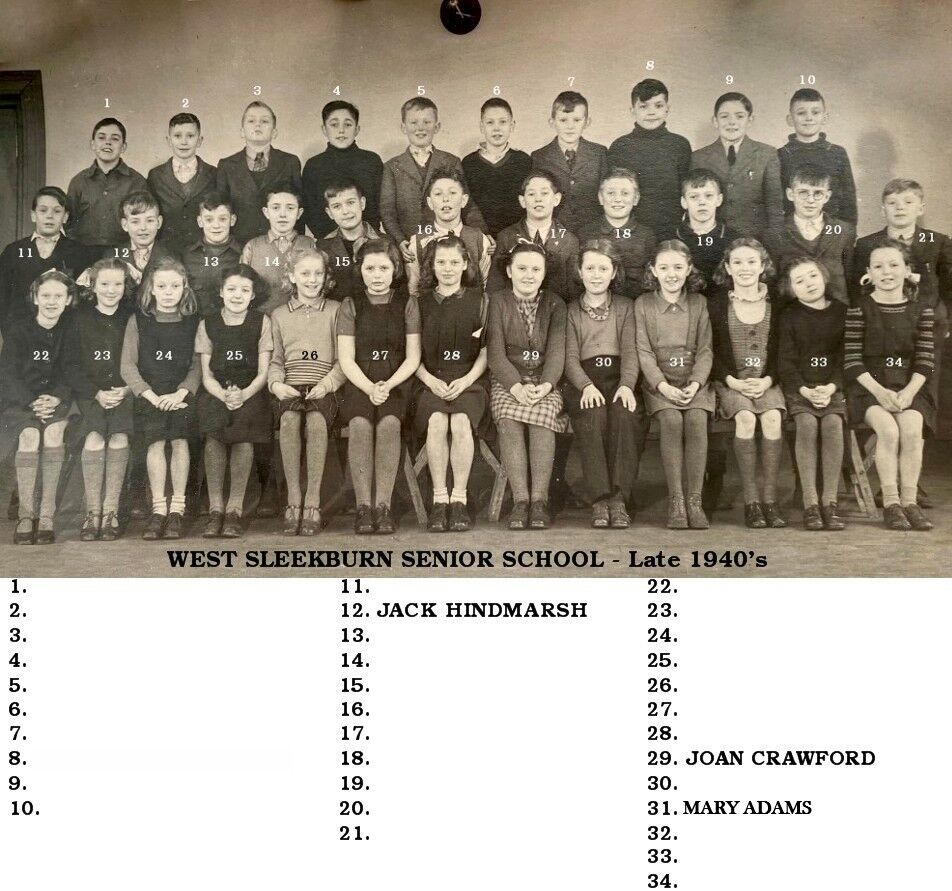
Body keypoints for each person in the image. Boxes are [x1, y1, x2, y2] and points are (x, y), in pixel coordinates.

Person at [845, 241, 935, 531]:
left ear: (907, 271)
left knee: (912, 430)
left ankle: (910, 502)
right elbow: (852, 361)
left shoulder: (922, 310)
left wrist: (908, 393)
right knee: (889, 430)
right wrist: (880, 392)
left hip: (909, 388)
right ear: (869, 273)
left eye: (894, 265)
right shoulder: (859, 309)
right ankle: (891, 503)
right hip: (868, 390)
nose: (886, 272)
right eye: (879, 266)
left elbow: (925, 361)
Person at [337, 238, 421, 534]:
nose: (376, 275)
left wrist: (388, 385)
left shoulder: (407, 303)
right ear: (360, 270)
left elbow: (413, 357)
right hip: (360, 381)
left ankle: (383, 505)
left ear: (395, 269)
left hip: (396, 381)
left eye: (383, 268)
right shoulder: (350, 304)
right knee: (359, 424)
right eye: (369, 268)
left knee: (389, 424)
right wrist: (369, 387)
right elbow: (346, 359)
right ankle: (364, 507)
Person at [487, 240, 567, 530]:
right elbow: (495, 354)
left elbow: (557, 353)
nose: (529, 275)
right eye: (521, 268)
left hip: (544, 382)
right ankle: (520, 500)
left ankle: (539, 501)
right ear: (509, 271)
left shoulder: (555, 304)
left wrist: (546, 386)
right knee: (508, 419)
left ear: (544, 273)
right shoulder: (497, 301)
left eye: (536, 269)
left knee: (543, 418)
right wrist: (515, 386)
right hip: (508, 381)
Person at [563, 239, 643, 528]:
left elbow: (631, 351)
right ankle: (599, 499)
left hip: (620, 378)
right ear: (580, 272)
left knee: (625, 414)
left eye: (603, 268)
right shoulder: (571, 310)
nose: (596, 275)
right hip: (584, 381)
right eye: (590, 268)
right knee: (593, 415)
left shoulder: (625, 307)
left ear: (614, 272)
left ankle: (619, 498)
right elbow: (570, 358)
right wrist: (585, 386)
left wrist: (627, 385)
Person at [120, 257, 201, 540]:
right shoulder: (138, 321)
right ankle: (158, 509)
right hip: (150, 394)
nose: (168, 292)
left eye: (175, 286)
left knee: (179, 440)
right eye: (162, 286)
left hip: (181, 394)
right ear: (151, 289)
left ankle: (177, 509)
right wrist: (152, 397)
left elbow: (197, 365)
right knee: (155, 441)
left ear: (184, 287)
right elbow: (127, 366)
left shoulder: (193, 322)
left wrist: (181, 392)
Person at [635, 240, 714, 529]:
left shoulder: (699, 303)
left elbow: (705, 350)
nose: (672, 274)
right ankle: (676, 500)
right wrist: (661, 385)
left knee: (696, 419)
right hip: (660, 384)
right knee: (671, 421)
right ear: (653, 270)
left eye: (678, 267)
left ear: (689, 269)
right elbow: (643, 351)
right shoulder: (643, 304)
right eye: (664, 268)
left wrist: (696, 383)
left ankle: (695, 500)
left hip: (694, 383)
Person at [412, 235, 489, 532]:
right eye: (441, 262)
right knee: (436, 422)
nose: (447, 269)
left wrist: (467, 379)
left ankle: (459, 499)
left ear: (466, 264)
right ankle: (439, 499)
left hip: (469, 380)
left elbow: (485, 351)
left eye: (454, 262)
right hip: (429, 379)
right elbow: (411, 355)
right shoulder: (419, 303)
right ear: (431, 266)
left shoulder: (480, 300)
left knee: (459, 421)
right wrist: (429, 380)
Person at [709, 238, 787, 529]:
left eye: (752, 262)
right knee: (745, 418)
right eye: (738, 262)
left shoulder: (776, 303)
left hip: (767, 381)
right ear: (728, 268)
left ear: (763, 265)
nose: (745, 268)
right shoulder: (717, 304)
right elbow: (710, 351)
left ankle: (770, 500)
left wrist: (768, 379)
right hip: (731, 383)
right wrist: (732, 381)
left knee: (772, 419)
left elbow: (782, 351)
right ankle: (752, 502)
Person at [268, 251, 346, 535]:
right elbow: (276, 361)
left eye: (318, 274)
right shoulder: (279, 315)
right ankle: (294, 498)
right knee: (289, 421)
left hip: (325, 387)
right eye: (304, 274)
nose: (312, 280)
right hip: (290, 387)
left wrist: (327, 384)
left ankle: (313, 500)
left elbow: (343, 360)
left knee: (316, 421)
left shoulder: (336, 310)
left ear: (326, 277)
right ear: (291, 276)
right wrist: (276, 384)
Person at [195, 265, 273, 538]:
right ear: (221, 292)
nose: (237, 295)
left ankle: (234, 510)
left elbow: (264, 372)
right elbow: (206, 374)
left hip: (251, 391)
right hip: (217, 391)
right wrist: (222, 394)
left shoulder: (262, 322)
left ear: (253, 295)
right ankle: (216, 508)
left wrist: (243, 394)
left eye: (244, 290)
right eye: (231, 289)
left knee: (243, 434)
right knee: (214, 434)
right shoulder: (208, 323)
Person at [0, 270, 76, 544]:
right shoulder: (19, 330)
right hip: (22, 402)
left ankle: (46, 515)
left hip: (59, 401)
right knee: (29, 436)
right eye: (45, 295)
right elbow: (8, 373)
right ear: (35, 298)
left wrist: (57, 397)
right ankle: (25, 514)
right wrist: (31, 401)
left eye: (58, 296)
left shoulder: (71, 330)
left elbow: (74, 369)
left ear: (68, 299)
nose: (51, 302)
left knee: (54, 434)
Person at [65, 258, 135, 541]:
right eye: (104, 284)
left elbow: (141, 359)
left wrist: (127, 389)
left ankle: (111, 511)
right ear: (92, 286)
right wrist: (96, 392)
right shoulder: (79, 318)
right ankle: (92, 512)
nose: (110, 290)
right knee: (94, 437)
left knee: (119, 436)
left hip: (124, 392)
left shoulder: (132, 317)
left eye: (117, 284)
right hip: (90, 394)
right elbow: (71, 365)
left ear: (125, 287)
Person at [777, 258, 847, 531]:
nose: (808, 284)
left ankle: (830, 502)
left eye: (813, 276)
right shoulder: (789, 316)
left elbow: (845, 357)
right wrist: (804, 389)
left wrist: (832, 387)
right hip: (800, 389)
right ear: (791, 289)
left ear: (824, 277)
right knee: (806, 424)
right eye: (800, 281)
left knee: (833, 423)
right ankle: (810, 503)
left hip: (833, 388)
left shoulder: (842, 311)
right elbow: (786, 361)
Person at [379, 96, 486, 252]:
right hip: (408, 247)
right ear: (403, 127)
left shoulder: (451, 161)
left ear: (437, 127)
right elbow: (387, 211)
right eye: (413, 122)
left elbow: (467, 204)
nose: (420, 128)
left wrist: (483, 234)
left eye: (427, 122)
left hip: (447, 245)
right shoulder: (392, 167)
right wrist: (400, 240)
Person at [691, 92, 784, 240]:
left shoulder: (766, 154)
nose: (732, 122)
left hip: (754, 239)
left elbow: (774, 205)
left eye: (739, 116)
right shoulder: (698, 157)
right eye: (724, 116)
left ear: (750, 120)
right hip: (714, 239)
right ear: (715, 121)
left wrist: (774, 242)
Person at [607, 80, 692, 239]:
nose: (651, 112)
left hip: (672, 230)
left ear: (667, 109)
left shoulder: (680, 145)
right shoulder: (620, 146)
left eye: (658, 106)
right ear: (632, 110)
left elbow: (687, 192)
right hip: (630, 231)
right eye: (643, 106)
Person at [0, 186, 88, 336]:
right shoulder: (13, 251)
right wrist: (10, 332)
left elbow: (84, 299)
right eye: (43, 210)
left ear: (65, 217)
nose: (49, 216)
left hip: (64, 336)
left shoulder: (78, 251)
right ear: (33, 215)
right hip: (20, 335)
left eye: (57, 211)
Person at [215, 101, 303, 246]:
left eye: (264, 121)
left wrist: (296, 244)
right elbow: (222, 210)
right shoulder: (227, 165)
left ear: (274, 132)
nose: (258, 125)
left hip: (282, 244)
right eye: (251, 121)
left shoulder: (289, 162)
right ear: (242, 131)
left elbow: (299, 206)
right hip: (239, 244)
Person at [768, 165, 854, 306]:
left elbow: (850, 275)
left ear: (827, 196)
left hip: (838, 308)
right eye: (803, 192)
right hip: (793, 311)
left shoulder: (843, 230)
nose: (811, 200)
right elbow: (774, 281)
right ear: (790, 194)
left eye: (818, 193)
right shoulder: (775, 232)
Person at [488, 171, 579, 300]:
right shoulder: (507, 237)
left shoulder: (569, 241)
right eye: (531, 194)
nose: (538, 199)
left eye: (544, 193)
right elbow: (495, 286)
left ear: (556, 199)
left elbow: (574, 291)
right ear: (522, 201)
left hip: (555, 309)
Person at [301, 100, 383, 239]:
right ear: (324, 129)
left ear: (357, 129)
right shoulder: (314, 166)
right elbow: (310, 211)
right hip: (329, 242)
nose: (341, 130)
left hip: (368, 239)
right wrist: (331, 240)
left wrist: (365, 236)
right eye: (334, 125)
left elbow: (380, 205)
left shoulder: (371, 161)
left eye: (348, 124)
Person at [530, 90, 608, 233]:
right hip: (555, 232)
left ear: (587, 122)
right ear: (552, 122)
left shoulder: (599, 153)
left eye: (577, 120)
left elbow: (606, 194)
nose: (570, 126)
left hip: (593, 231)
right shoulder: (539, 157)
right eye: (563, 120)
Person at [406, 168, 493, 294]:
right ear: (430, 203)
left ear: (464, 200)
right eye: (438, 194)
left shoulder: (479, 239)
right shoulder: (417, 242)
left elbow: (485, 286)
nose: (445, 199)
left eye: (452, 193)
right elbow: (413, 290)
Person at [778, 88, 857, 225]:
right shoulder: (781, 155)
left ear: (824, 118)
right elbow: (774, 201)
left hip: (831, 230)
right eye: (801, 113)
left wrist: (847, 233)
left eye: (815, 112)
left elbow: (848, 203)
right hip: (791, 230)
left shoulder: (837, 153)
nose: (809, 118)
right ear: (790, 119)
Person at [65, 118, 148, 249]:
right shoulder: (79, 181)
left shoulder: (137, 181)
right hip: (85, 252)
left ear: (123, 147)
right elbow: (68, 223)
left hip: (124, 252)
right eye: (101, 138)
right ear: (93, 144)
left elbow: (144, 222)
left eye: (115, 139)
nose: (107, 142)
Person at [577, 168, 656, 299]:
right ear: (600, 198)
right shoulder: (585, 233)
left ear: (636, 198)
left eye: (625, 193)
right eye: (611, 193)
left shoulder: (647, 235)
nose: (618, 199)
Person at [239, 183, 316, 313]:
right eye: (275, 208)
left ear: (299, 213)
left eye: (290, 208)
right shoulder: (252, 246)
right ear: (266, 212)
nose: (282, 214)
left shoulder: (309, 245)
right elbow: (242, 288)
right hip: (262, 319)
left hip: (300, 318)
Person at [147, 112, 218, 253]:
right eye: (177, 136)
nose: (184, 142)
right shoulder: (155, 175)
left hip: (204, 250)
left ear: (199, 140)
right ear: (169, 140)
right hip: (166, 251)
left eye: (190, 136)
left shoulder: (214, 174)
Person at [461, 97, 532, 237]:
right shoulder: (468, 163)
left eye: (503, 122)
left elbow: (529, 203)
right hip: (479, 237)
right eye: (490, 122)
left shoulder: (524, 161)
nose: (496, 128)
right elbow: (466, 206)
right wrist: (481, 236)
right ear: (481, 127)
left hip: (517, 237)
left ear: (512, 125)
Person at [321, 180, 386, 302]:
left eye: (350, 203)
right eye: (337, 206)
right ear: (329, 213)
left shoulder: (386, 242)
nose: (345, 211)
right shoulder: (322, 247)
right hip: (338, 311)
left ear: (362, 203)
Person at [674, 170, 740, 289]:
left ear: (719, 199)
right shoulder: (673, 238)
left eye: (708, 196)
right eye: (694, 197)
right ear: (684, 202)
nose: (702, 202)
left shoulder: (734, 240)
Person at [180, 192, 242, 316]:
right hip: (196, 322)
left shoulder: (244, 253)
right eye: (209, 219)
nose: (216, 225)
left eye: (222, 219)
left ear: (232, 220)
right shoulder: (187, 256)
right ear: (200, 221)